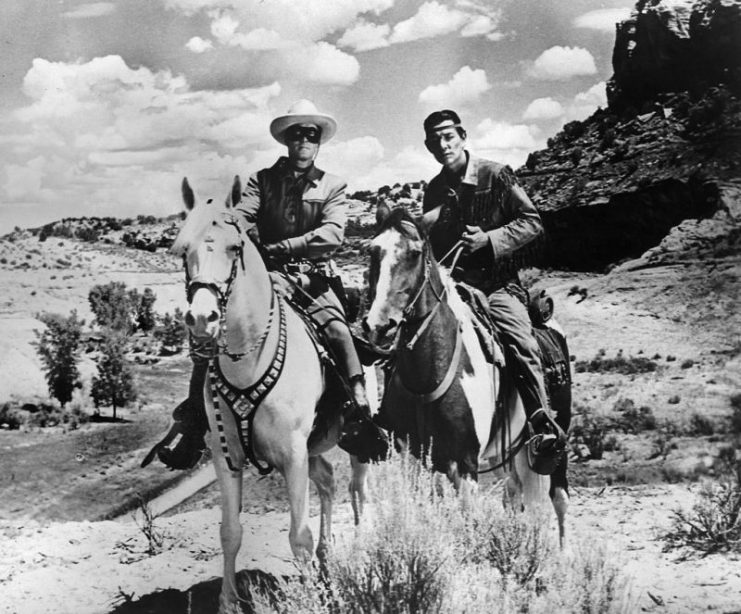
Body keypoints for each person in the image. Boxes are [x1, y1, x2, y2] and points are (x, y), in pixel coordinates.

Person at [145, 100, 387, 470]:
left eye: (311, 135)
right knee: (218, 330)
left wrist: (282, 246)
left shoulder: (334, 186)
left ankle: (358, 408)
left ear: (318, 142)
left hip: (314, 278)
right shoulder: (262, 180)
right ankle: (195, 418)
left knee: (337, 329)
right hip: (269, 277)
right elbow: (242, 217)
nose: (304, 142)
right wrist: (218, 222)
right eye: (297, 135)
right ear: (287, 142)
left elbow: (333, 234)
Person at [420, 109, 566, 464]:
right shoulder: (435, 189)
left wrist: (489, 240)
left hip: (497, 286)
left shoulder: (496, 174)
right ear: (428, 147)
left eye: (448, 136)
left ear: (462, 135)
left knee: (521, 342)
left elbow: (532, 222)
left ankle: (541, 423)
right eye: (435, 139)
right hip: (454, 287)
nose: (443, 144)